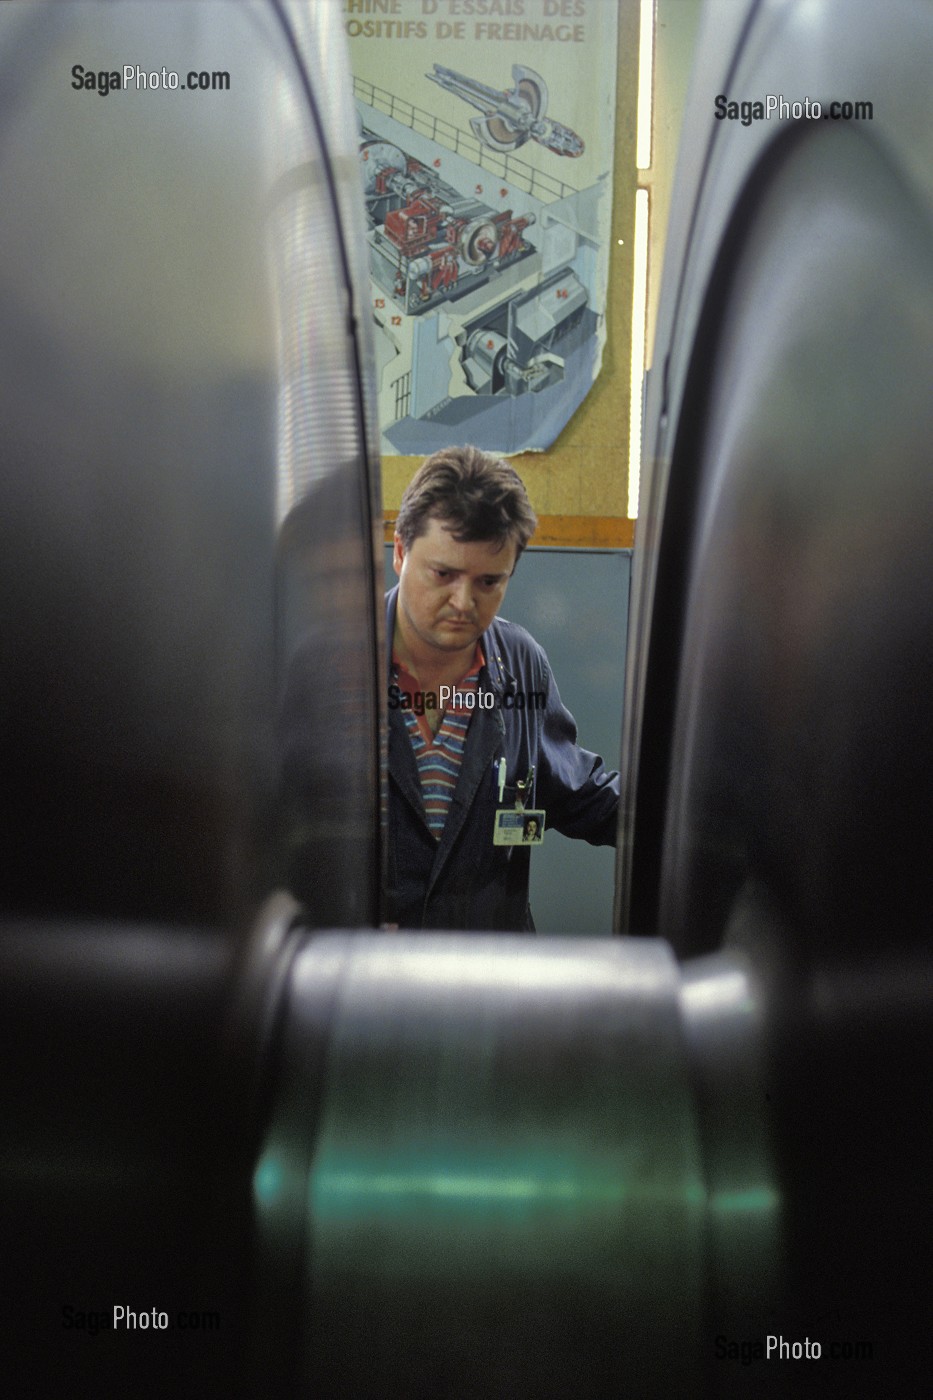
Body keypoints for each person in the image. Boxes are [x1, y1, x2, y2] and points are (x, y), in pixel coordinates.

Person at [386, 445, 619, 931]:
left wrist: (699, 820)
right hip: (360, 980)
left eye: (489, 581)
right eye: (443, 574)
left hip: (491, 974)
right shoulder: (330, 663)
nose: (463, 602)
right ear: (401, 551)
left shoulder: (519, 663)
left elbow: (580, 792)